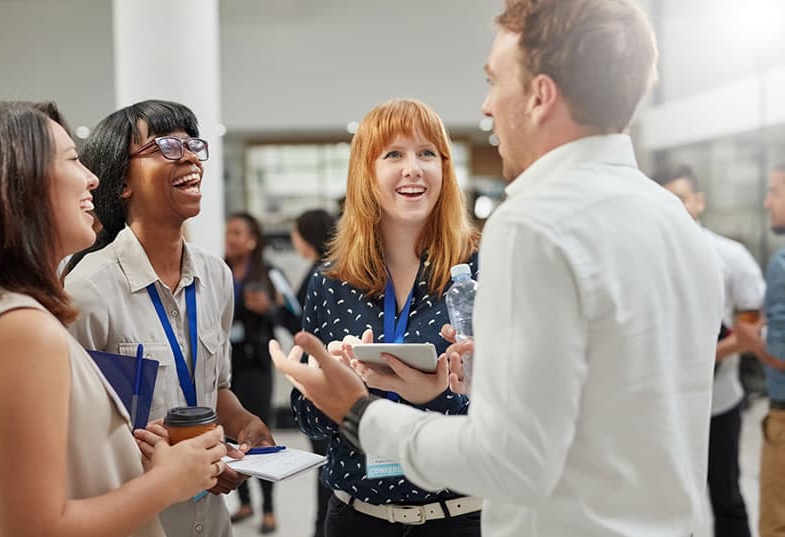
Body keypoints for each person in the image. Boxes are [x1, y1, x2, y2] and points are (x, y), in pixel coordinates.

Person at [270, 1, 726, 536]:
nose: (487, 106)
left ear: (539, 95)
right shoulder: (674, 221)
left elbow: (512, 460)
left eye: (494, 80)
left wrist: (361, 414)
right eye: (393, 156)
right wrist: (455, 387)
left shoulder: (534, 226)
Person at [0, 101, 229, 537]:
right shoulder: (20, 329)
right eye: (73, 160)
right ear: (16, 185)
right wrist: (168, 480)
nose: (91, 178)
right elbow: (32, 528)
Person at [63, 99, 274, 537]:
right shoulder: (88, 290)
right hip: (139, 521)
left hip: (211, 523)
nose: (191, 156)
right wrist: (180, 464)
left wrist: (244, 423)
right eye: (167, 147)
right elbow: (74, 437)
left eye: (193, 144)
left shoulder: (215, 275)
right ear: (122, 181)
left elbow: (214, 391)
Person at [291, 98, 481, 537]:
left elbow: (512, 410)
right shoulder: (331, 281)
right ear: (366, 172)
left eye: (426, 153)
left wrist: (437, 392)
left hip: (460, 517)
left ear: (445, 170)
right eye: (393, 154)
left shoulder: (481, 271)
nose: (412, 168)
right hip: (356, 518)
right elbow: (307, 417)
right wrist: (338, 386)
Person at [655, 164, 763, 537]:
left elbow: (753, 329)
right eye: (666, 200)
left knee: (727, 496)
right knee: (667, 505)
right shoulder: (646, 259)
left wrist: (702, 357)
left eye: (681, 198)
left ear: (699, 201)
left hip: (719, 401)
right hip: (661, 408)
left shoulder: (731, 256)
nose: (675, 207)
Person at [224, 212, 290, 534]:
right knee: (230, 435)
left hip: (257, 366)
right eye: (228, 233)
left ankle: (269, 508)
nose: (230, 238)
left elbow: (292, 315)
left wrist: (269, 309)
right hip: (226, 364)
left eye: (237, 233)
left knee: (258, 434)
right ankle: (245, 501)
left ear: (251, 239)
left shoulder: (270, 273)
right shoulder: (217, 270)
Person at [734, 163, 785, 537]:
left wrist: (751, 340)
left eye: (775, 192)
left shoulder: (782, 263)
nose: (767, 202)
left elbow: (781, 355)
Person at [287, 208, 337, 537]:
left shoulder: (324, 274)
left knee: (326, 464)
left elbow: (306, 329)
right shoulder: (322, 272)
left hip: (323, 380)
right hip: (316, 381)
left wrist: (278, 310)